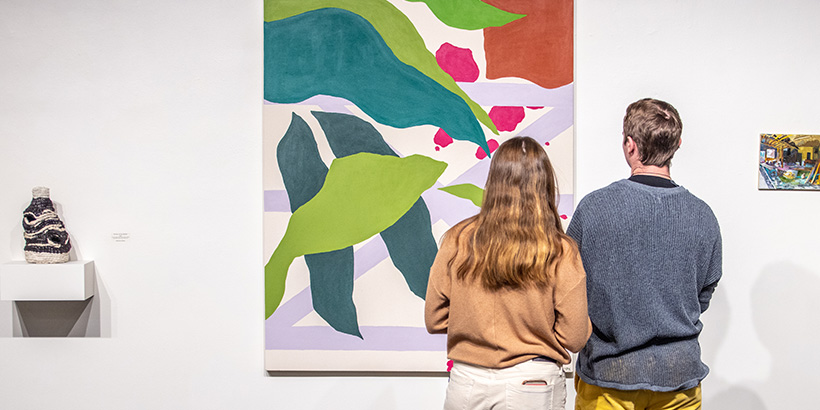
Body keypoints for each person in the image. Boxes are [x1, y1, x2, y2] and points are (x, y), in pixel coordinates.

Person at [567, 98, 722, 410]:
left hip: (608, 377)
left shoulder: (594, 209)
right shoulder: (703, 215)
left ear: (629, 145)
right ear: (678, 144)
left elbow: (567, 284)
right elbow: (705, 291)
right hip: (680, 377)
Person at [425, 136, 592, 410]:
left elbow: (434, 318)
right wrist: (535, 333)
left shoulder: (456, 239)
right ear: (545, 184)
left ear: (494, 181)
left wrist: (473, 323)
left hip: (468, 380)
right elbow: (574, 337)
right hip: (534, 382)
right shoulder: (560, 249)